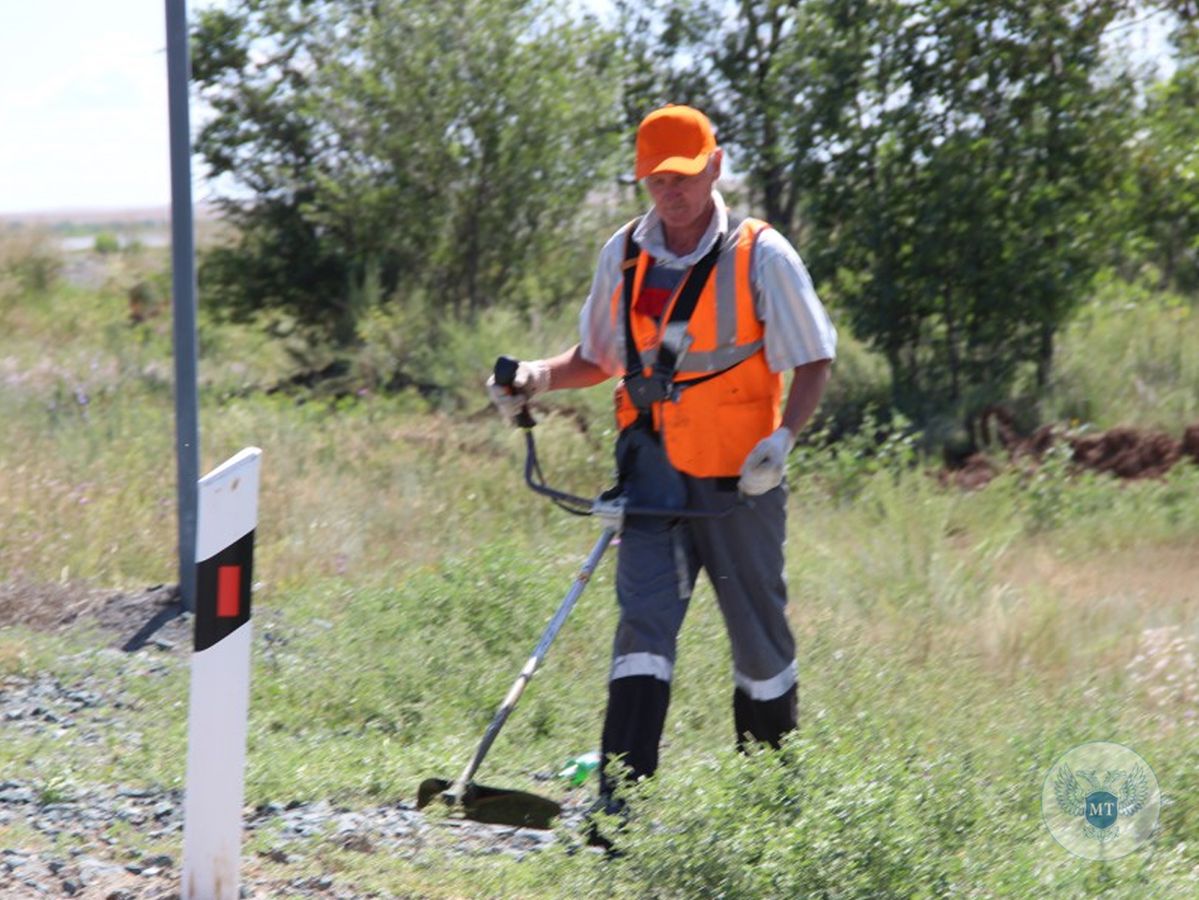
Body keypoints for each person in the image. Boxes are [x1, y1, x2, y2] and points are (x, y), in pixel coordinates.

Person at [487, 105, 837, 831]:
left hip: (740, 483)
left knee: (758, 639)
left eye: (681, 175)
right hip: (649, 476)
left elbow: (814, 356)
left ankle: (770, 819)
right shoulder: (623, 253)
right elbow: (599, 358)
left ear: (714, 167)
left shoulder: (760, 254)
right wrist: (534, 376)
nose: (669, 191)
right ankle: (618, 815)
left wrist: (784, 439)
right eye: (655, 179)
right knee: (641, 630)